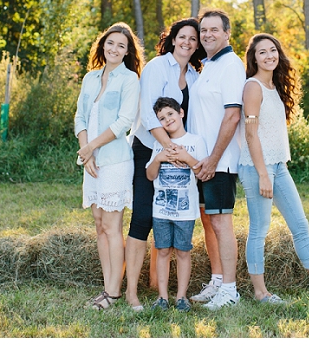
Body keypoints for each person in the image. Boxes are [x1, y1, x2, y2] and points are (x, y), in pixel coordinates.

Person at [238, 33, 309, 304]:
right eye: (262, 52)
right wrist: (263, 174)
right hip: (256, 168)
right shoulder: (252, 87)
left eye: (272, 50)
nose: (269, 56)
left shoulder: (275, 87)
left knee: (300, 225)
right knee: (259, 229)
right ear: (253, 58)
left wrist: (272, 170)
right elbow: (251, 136)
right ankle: (260, 292)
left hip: (279, 166)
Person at [125, 18, 205, 311]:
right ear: (172, 39)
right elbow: (148, 113)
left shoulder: (195, 77)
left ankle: (156, 285)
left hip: (179, 155)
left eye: (193, 39)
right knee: (144, 217)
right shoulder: (158, 67)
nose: (187, 42)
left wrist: (189, 151)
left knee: (170, 217)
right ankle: (131, 291)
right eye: (182, 37)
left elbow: (192, 119)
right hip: (149, 148)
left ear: (197, 45)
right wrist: (168, 147)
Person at [74, 22, 144, 310]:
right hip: (91, 163)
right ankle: (107, 286)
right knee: (99, 226)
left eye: (121, 46)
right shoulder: (90, 78)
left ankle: (114, 293)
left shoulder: (130, 80)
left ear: (127, 53)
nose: (114, 49)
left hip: (115, 162)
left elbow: (123, 122)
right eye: (111, 43)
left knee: (113, 226)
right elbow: (80, 117)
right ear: (103, 45)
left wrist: (91, 147)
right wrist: (87, 153)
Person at [188, 9, 245, 310]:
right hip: (201, 162)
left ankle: (230, 291)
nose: (208, 35)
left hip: (219, 162)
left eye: (214, 29)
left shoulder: (231, 65)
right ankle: (217, 280)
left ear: (226, 34)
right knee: (208, 221)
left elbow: (232, 116)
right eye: (204, 30)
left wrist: (213, 159)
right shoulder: (207, 66)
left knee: (221, 222)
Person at [145, 97, 208, 312]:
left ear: (181, 113)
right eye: (161, 118)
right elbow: (150, 175)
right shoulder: (159, 144)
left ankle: (181, 297)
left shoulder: (196, 141)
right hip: (161, 209)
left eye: (170, 114)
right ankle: (162, 297)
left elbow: (202, 172)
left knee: (183, 252)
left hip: (185, 211)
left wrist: (186, 157)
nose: (167, 120)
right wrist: (159, 158)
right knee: (162, 250)